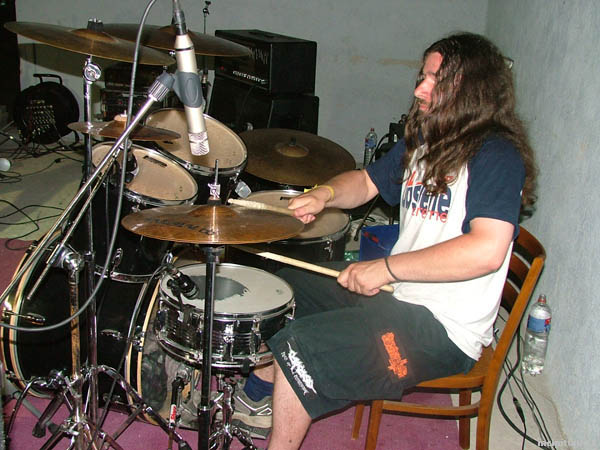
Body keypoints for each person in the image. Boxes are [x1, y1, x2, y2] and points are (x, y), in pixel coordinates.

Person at [231, 31, 537, 449]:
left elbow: (487, 250)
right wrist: (325, 194)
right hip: (399, 293)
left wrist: (386, 268)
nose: (420, 89)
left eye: (434, 80)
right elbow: (366, 181)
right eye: (422, 77)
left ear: (471, 89)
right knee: (283, 293)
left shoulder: (496, 155)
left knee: (303, 349)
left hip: (444, 329)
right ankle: (257, 399)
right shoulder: (427, 139)